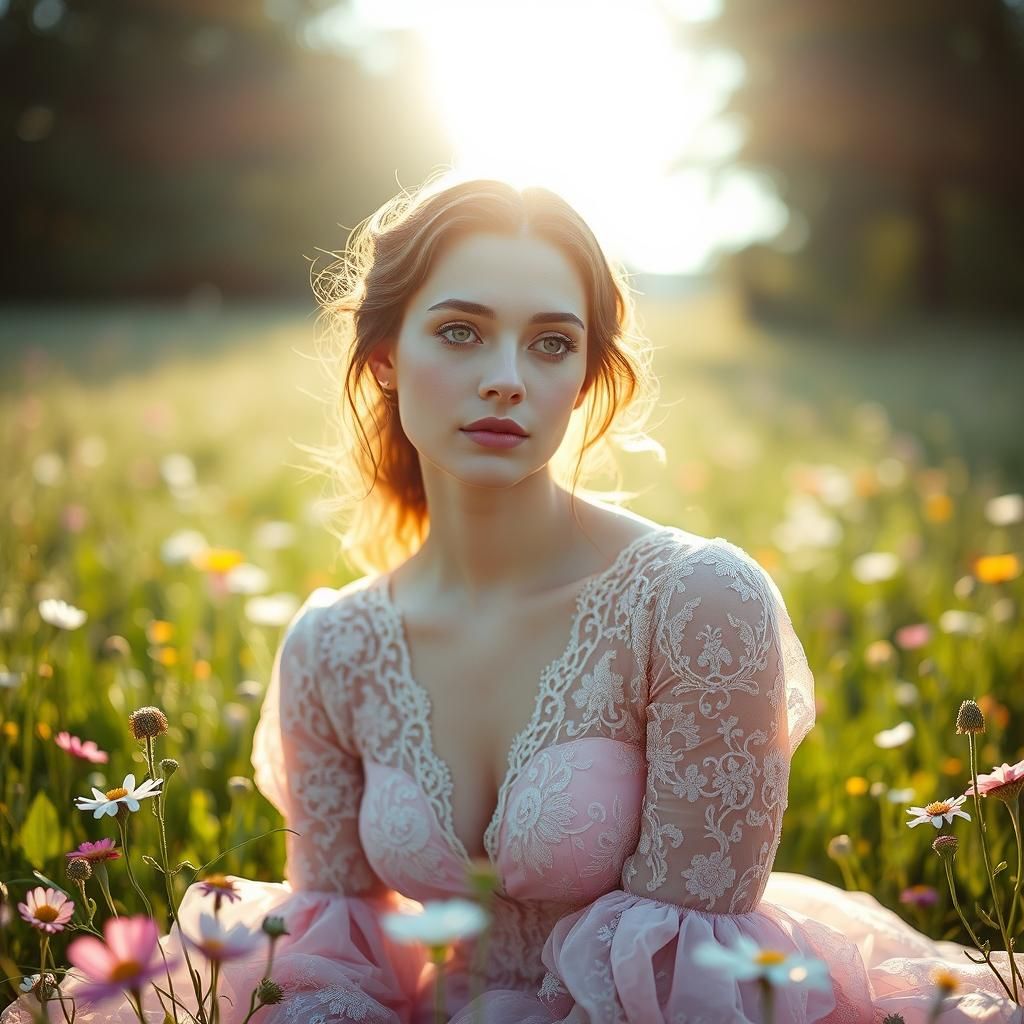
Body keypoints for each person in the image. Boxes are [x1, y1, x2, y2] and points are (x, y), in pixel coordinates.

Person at [6, 175, 1023, 1024]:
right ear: (386, 355)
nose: (506, 379)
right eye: (460, 333)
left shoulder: (698, 602)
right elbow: (332, 955)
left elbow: (689, 971)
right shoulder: (333, 645)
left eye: (549, 343)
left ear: (585, 376)